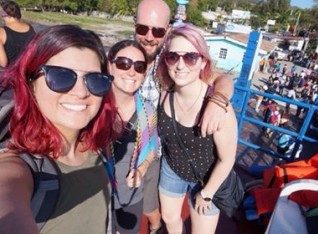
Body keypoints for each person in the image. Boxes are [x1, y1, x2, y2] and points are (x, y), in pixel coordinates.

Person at [0, 24, 116, 233]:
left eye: (94, 80)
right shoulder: (18, 167)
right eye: (61, 76)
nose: (81, 92)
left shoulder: (95, 147)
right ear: (30, 82)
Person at [134, 1, 234, 231]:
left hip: (204, 173)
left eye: (157, 30)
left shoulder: (169, 61)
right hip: (169, 164)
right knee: (168, 220)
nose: (149, 36)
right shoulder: (127, 58)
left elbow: (223, 80)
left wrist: (219, 99)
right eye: (143, 29)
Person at [157, 24, 238, 234]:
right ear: (166, 60)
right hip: (172, 167)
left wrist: (208, 193)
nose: (180, 65)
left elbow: (227, 158)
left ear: (203, 61)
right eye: (173, 56)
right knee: (169, 218)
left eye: (190, 57)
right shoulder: (165, 91)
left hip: (207, 178)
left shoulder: (219, 108)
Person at [106, 39, 160, 233]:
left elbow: (151, 149)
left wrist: (142, 169)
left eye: (139, 67)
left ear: (144, 74)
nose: (131, 71)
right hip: (99, 194)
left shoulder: (148, 112)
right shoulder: (92, 105)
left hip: (131, 195)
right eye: (123, 63)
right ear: (109, 66)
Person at [0, 1, 35, 67]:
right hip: (27, 70)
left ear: (2, 15)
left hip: (9, 74)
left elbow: (3, 63)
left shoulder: (1, 32)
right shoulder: (30, 28)